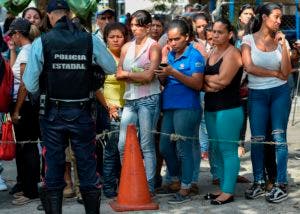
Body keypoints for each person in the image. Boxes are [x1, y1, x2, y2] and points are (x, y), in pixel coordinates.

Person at [22, 0, 116, 213]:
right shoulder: (89, 39)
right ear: (68, 13)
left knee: (53, 169)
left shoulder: (42, 42)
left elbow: (30, 83)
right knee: (88, 168)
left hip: (52, 114)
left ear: (50, 15)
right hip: (82, 112)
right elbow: (110, 66)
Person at [241, 3, 292, 203]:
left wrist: (284, 46)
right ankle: (259, 182)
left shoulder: (281, 41)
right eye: (276, 17)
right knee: (257, 139)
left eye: (280, 18)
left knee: (279, 138)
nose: (279, 21)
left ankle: (281, 183)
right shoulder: (247, 40)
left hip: (280, 92)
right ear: (263, 17)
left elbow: (286, 73)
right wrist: (273, 73)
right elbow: (249, 66)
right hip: (257, 94)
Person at [157, 18, 205, 204]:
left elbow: (197, 84)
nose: (172, 43)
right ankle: (177, 178)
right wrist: (161, 76)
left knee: (185, 149)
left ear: (187, 37)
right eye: (169, 39)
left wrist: (173, 73)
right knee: (164, 146)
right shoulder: (169, 55)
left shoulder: (195, 56)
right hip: (169, 105)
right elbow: (167, 80)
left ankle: (186, 188)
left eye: (176, 39)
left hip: (187, 107)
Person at [116, 10, 161, 195]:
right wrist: (136, 76)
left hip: (148, 98)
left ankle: (148, 186)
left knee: (146, 144)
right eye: (132, 25)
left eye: (138, 25)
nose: (134, 29)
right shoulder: (126, 47)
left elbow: (150, 76)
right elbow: (118, 74)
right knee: (122, 144)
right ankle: (130, 180)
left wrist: (128, 75)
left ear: (148, 27)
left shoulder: (154, 46)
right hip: (130, 99)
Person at [203, 18, 244, 205]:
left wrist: (208, 81)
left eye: (220, 32)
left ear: (230, 35)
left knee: (228, 150)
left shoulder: (233, 53)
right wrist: (210, 82)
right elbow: (204, 81)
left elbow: (223, 82)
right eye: (213, 31)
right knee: (216, 150)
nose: (215, 35)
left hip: (229, 109)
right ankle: (223, 188)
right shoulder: (211, 52)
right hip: (211, 107)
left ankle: (228, 192)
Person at [5, 18, 41, 206]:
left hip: (25, 106)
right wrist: (12, 49)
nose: (12, 38)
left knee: (28, 147)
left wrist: (17, 109)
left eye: (13, 34)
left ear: (19, 34)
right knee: (24, 147)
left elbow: (25, 84)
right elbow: (14, 73)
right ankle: (27, 187)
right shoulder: (23, 51)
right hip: (22, 105)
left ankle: (31, 191)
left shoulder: (27, 52)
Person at [101, 22, 127, 198]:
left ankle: (126, 184)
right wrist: (108, 106)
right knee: (111, 150)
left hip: (131, 108)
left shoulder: (129, 56)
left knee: (127, 150)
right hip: (112, 110)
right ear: (106, 39)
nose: (116, 40)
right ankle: (109, 187)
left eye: (120, 36)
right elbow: (97, 87)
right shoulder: (102, 59)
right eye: (112, 37)